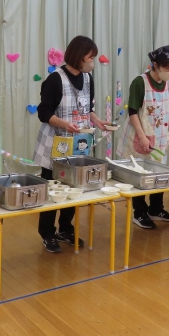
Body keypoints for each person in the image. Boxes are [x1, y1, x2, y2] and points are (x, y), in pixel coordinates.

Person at [32, 36, 108, 253]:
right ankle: (47, 233)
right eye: (90, 57)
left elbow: (87, 109)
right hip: (55, 144)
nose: (92, 61)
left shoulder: (88, 78)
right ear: (78, 56)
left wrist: (98, 121)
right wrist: (64, 124)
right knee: (52, 189)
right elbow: (43, 113)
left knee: (75, 187)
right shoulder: (55, 79)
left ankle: (66, 229)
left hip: (78, 144)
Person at [116, 45, 169, 229]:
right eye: (167, 68)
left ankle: (156, 208)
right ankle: (139, 212)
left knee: (159, 172)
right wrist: (142, 136)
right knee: (139, 173)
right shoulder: (140, 82)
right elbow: (132, 112)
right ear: (155, 65)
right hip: (139, 135)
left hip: (160, 135)